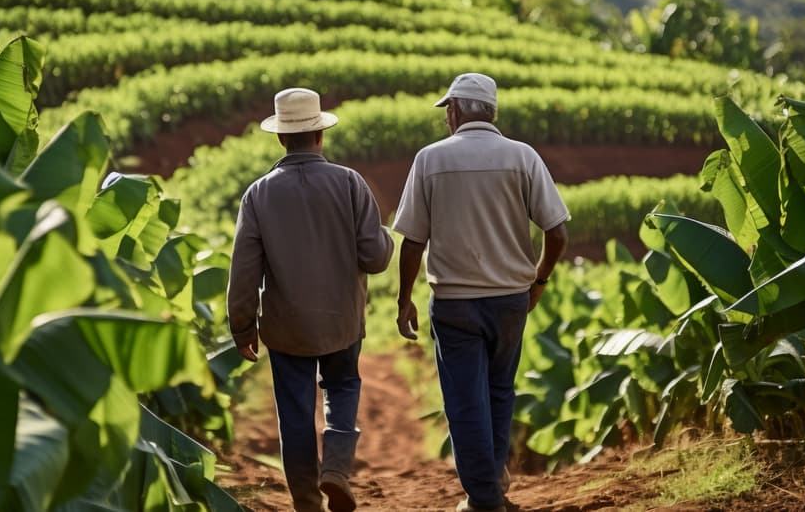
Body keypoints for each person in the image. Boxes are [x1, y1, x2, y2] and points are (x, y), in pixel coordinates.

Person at [392, 73, 569, 512]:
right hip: (511, 299)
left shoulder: (430, 160)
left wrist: (404, 299)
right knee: (498, 392)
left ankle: (484, 498)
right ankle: (492, 485)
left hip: (454, 302)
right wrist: (539, 278)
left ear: (454, 111)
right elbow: (558, 231)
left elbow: (413, 240)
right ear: (491, 111)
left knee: (464, 401)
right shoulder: (523, 157)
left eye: (447, 111)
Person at [227, 87, 393, 512]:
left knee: (295, 411)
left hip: (286, 326)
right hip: (342, 318)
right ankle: (335, 470)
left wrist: (242, 326)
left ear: (281, 138)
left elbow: (244, 270)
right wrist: (387, 239)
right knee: (342, 387)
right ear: (319, 135)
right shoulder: (351, 183)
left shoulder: (258, 194)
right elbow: (375, 259)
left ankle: (305, 502)